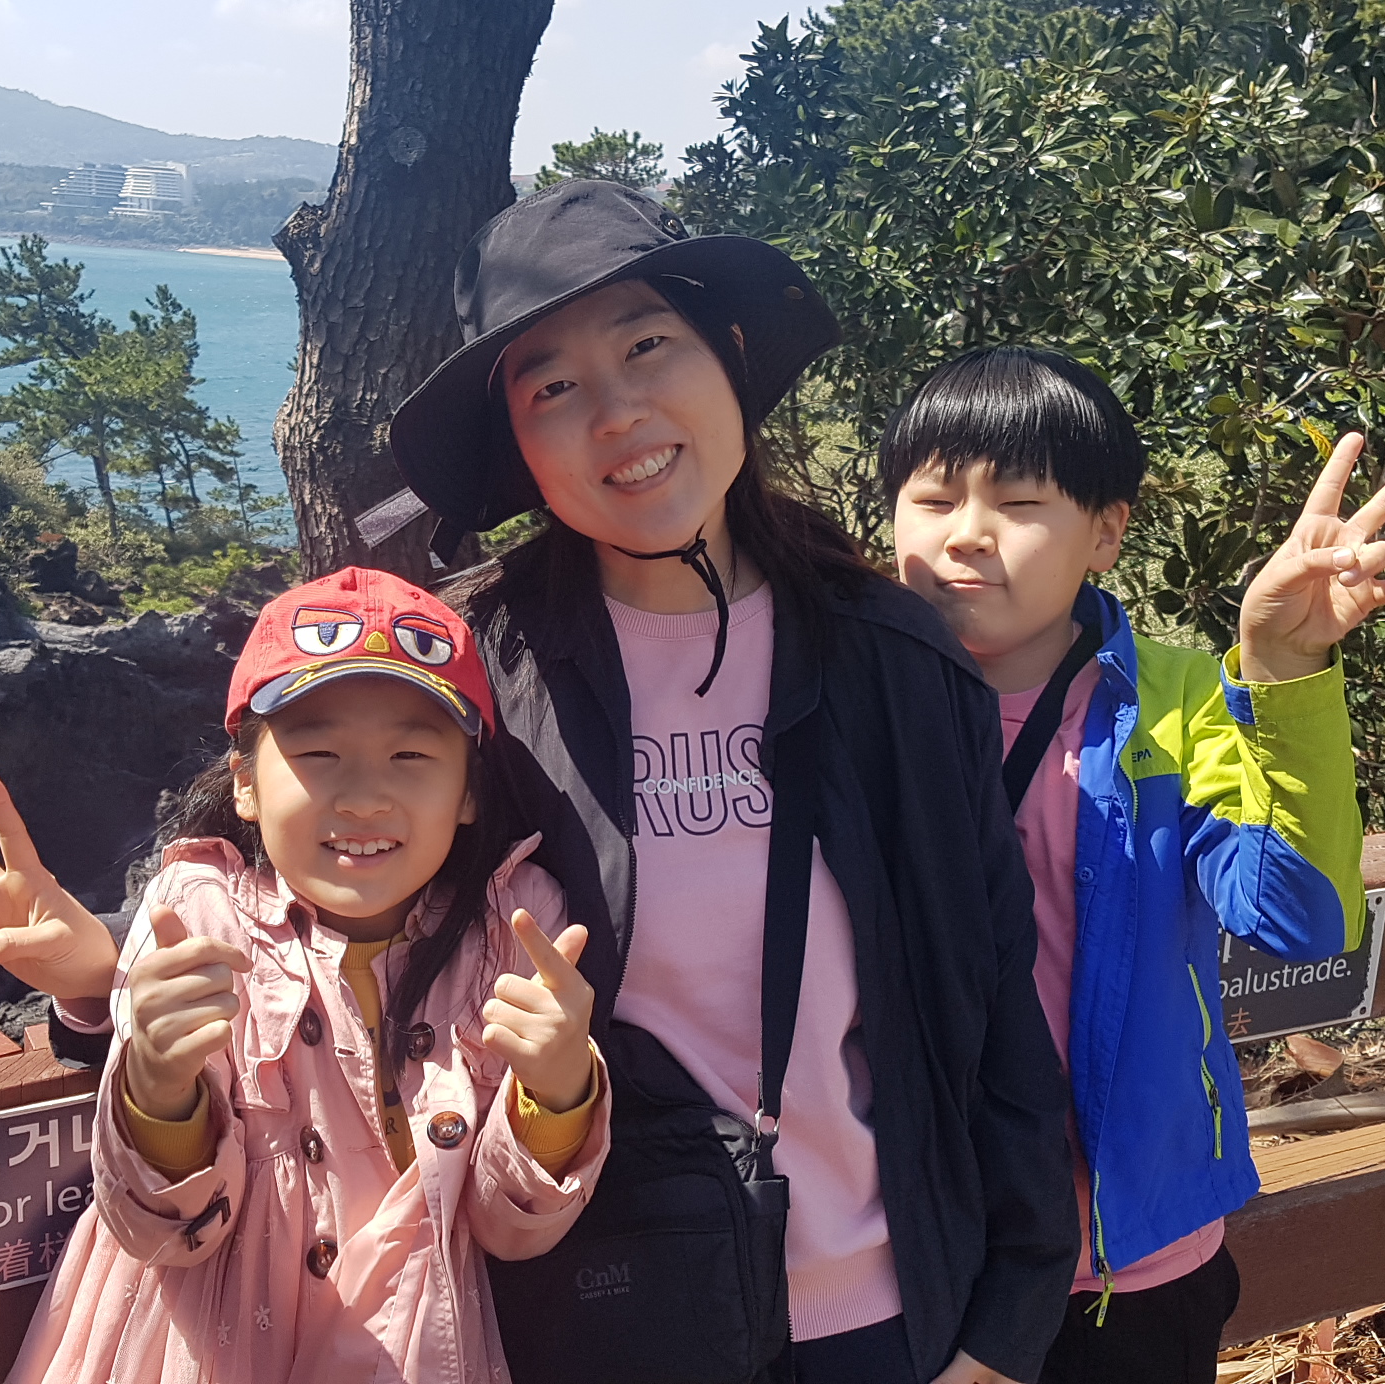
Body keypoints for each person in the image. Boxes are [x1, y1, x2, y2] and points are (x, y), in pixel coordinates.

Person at [383, 180, 1079, 1384]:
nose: (618, 413)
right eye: (551, 388)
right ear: (518, 449)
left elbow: (987, 991)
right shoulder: (477, 677)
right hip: (611, 1318)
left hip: (888, 1312)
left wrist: (1006, 1323)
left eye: (648, 345)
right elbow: (321, 890)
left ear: (731, 353)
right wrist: (97, 992)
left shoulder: (893, 663)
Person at [881, 346, 1385, 1384]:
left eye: (1018, 502)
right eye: (932, 499)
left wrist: (1282, 670)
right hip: (908, 1242)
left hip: (1122, 1255)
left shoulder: (1178, 706)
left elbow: (1300, 920)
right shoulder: (847, 705)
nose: (965, 534)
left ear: (1106, 532)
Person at [0, 568, 610, 1384]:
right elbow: (161, 1229)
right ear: (245, 783)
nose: (365, 796)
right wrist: (158, 1086)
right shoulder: (195, 911)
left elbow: (510, 1229)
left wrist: (558, 1092)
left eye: (411, 754)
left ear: (469, 792)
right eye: (318, 753)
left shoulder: (515, 928)